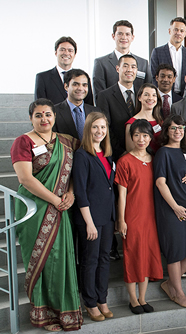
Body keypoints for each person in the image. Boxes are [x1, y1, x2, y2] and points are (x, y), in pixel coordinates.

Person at [11, 99, 83, 331]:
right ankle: (44, 315)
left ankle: (65, 311)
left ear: (54, 116)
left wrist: (70, 194)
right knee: (42, 260)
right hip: (35, 208)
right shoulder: (22, 142)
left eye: (48, 115)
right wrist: (55, 200)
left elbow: (74, 172)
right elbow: (25, 179)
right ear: (31, 118)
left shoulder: (68, 141)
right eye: (39, 115)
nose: (44, 119)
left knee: (61, 257)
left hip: (62, 206)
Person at [154, 115, 186, 308]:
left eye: (181, 128)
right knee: (175, 252)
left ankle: (169, 284)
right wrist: (175, 206)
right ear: (166, 130)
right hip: (173, 211)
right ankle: (178, 292)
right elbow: (160, 182)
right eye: (174, 128)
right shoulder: (163, 153)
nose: (178, 132)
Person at [115, 120, 163, 314]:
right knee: (133, 256)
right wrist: (121, 219)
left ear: (151, 137)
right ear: (131, 137)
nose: (141, 139)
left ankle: (143, 298)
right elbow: (122, 194)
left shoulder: (154, 159)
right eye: (136, 135)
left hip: (151, 216)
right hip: (132, 216)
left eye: (145, 135)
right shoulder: (125, 161)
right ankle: (133, 299)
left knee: (147, 256)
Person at [72, 112, 115, 322]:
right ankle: (89, 302)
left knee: (104, 259)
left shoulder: (107, 154)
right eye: (95, 127)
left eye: (103, 128)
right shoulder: (82, 155)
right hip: (90, 218)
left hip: (107, 217)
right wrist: (89, 223)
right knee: (90, 260)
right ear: (88, 129)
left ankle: (102, 298)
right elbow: (80, 192)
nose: (100, 131)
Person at [93, 20, 151, 100]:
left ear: (132, 37)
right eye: (120, 34)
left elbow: (148, 91)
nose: (124, 37)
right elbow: (99, 96)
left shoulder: (143, 63)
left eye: (127, 34)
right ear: (113, 36)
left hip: (138, 109)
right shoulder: (101, 63)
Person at [96, 54, 140, 159]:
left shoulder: (142, 94)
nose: (129, 70)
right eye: (125, 66)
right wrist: (121, 152)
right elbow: (105, 127)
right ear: (117, 68)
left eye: (133, 67)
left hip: (141, 154)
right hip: (116, 154)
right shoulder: (105, 96)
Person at [35, 36, 94, 105]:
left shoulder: (83, 77)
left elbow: (89, 105)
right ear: (56, 53)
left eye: (70, 50)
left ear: (74, 55)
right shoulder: (43, 78)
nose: (66, 53)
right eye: (62, 50)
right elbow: (39, 106)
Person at [150, 17, 186, 94]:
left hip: (185, 96)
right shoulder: (157, 52)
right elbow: (153, 76)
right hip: (164, 95)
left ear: (185, 34)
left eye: (181, 31)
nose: (178, 33)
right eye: (176, 30)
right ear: (169, 31)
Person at [53, 69, 100, 139]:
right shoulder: (54, 112)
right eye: (75, 84)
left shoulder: (96, 112)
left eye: (84, 85)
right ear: (66, 86)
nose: (81, 88)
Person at [125, 83, 164, 153]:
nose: (150, 98)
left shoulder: (160, 122)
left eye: (154, 95)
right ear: (139, 97)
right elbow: (130, 150)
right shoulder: (131, 123)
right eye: (146, 95)